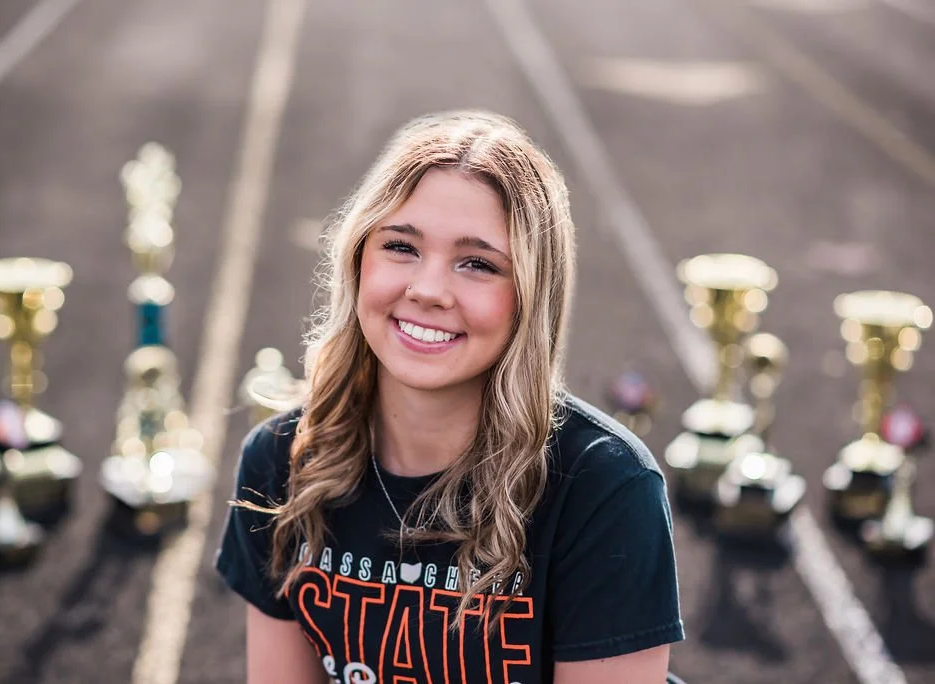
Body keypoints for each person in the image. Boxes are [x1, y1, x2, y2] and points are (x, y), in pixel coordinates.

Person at [215, 110, 685, 683]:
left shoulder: (604, 489)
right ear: (359, 260)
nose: (429, 290)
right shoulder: (281, 460)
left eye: (477, 264)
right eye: (401, 247)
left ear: (531, 295)